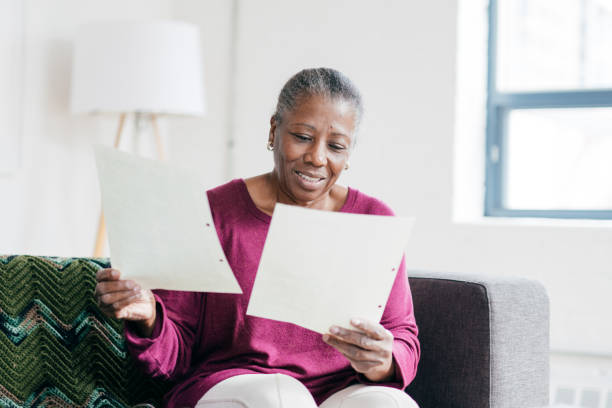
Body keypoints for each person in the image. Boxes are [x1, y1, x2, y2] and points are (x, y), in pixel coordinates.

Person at [95, 68, 420, 408]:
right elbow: (172, 359)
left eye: (336, 146)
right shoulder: (211, 213)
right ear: (274, 130)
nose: (317, 157)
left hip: (341, 389)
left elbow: (404, 337)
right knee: (279, 399)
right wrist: (149, 316)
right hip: (233, 385)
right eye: (303, 136)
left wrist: (384, 359)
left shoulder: (374, 219)